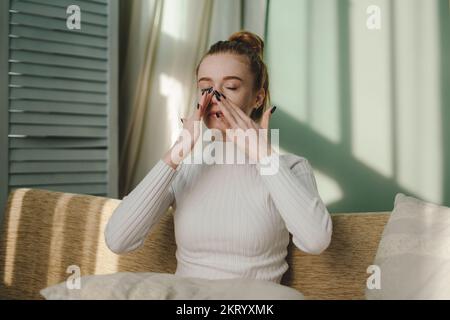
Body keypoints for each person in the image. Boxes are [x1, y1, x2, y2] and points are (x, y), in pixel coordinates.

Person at [105, 30, 332, 284]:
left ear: (258, 98)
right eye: (205, 88)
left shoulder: (291, 168)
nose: (214, 98)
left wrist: (263, 156)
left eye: (231, 86)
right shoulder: (185, 168)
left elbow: (316, 241)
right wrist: (178, 150)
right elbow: (118, 239)